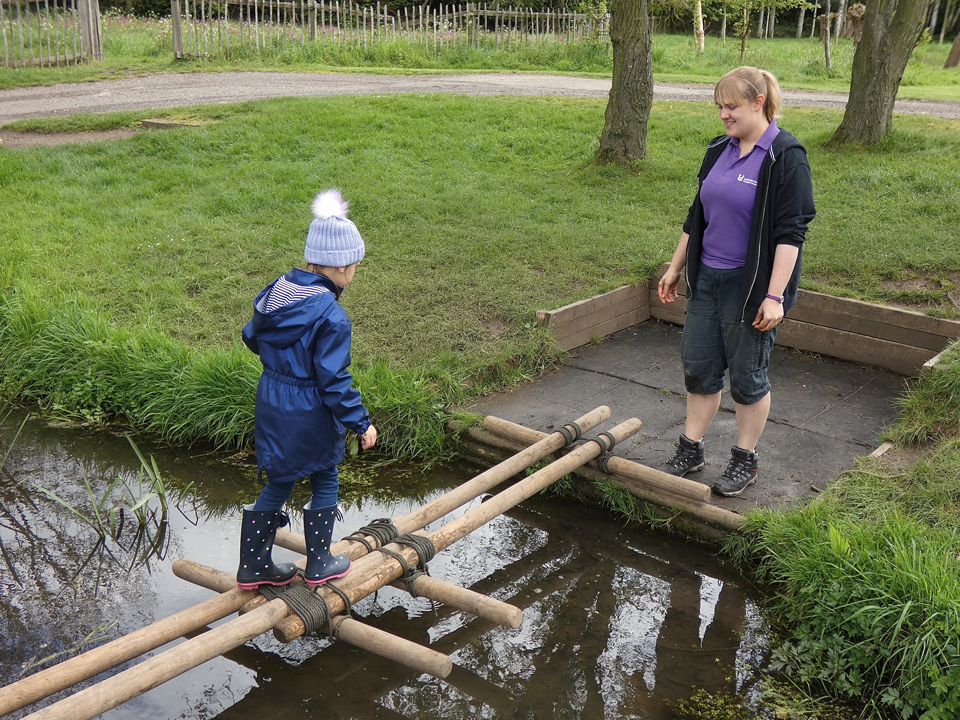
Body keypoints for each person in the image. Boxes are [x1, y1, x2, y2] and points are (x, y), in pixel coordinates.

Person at [658, 66, 816, 498]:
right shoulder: (718, 148)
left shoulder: (785, 156)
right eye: (719, 107)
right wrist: (675, 267)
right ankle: (690, 449)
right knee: (699, 367)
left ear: (758, 103)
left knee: (747, 377)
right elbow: (698, 216)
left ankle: (745, 458)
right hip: (706, 279)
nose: (723, 115)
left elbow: (791, 234)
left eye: (731, 106)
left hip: (750, 290)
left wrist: (774, 296)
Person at [236, 189, 378, 590]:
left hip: (272, 398)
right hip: (309, 406)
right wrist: (360, 422)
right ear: (344, 266)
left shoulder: (277, 291)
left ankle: (253, 566)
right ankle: (320, 564)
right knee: (325, 474)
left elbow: (252, 336)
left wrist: (280, 365)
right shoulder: (332, 315)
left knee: (279, 478)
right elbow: (333, 380)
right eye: (355, 266)